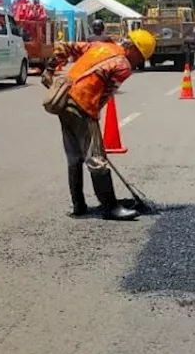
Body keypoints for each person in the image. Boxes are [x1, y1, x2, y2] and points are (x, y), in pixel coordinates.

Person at [57, 29, 155, 220]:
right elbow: (105, 94)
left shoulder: (99, 46)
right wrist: (93, 118)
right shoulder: (123, 65)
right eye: (140, 57)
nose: (138, 62)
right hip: (82, 104)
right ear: (133, 49)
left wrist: (50, 70)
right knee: (96, 157)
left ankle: (78, 205)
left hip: (62, 100)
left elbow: (63, 47)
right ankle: (111, 208)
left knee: (74, 156)